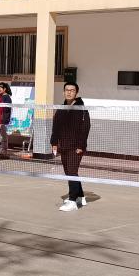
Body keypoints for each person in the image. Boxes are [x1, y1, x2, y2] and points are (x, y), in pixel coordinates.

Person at [51, 82, 90, 212]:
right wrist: (54, 143)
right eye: (67, 90)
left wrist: (81, 145)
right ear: (63, 92)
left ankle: (72, 201)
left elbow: (86, 127)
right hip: (63, 145)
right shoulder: (61, 108)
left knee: (72, 172)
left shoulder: (81, 108)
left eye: (72, 90)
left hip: (76, 147)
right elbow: (56, 126)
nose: (69, 92)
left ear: (76, 93)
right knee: (69, 172)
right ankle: (80, 196)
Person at [0, 81, 13, 157]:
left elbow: (6, 109)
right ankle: (1, 150)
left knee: (3, 135)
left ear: (4, 89)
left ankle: (4, 151)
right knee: (1, 135)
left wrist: (0, 107)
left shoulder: (7, 98)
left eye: (0, 88)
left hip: (4, 120)